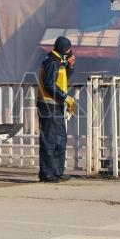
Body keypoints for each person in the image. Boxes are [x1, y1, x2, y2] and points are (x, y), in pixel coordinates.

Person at [37, 35, 77, 183]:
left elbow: (63, 78)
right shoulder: (52, 62)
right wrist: (65, 97)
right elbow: (49, 84)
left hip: (56, 106)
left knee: (60, 140)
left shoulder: (58, 61)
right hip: (49, 106)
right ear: (65, 50)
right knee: (50, 140)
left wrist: (70, 67)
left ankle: (57, 172)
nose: (70, 53)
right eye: (69, 50)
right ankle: (47, 174)